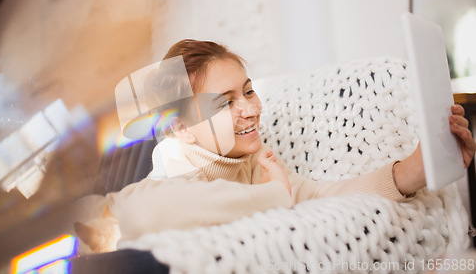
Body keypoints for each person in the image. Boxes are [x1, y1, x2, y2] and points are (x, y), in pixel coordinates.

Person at [110, 39, 475, 242]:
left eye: (249, 92)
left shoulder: (252, 161)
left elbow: (318, 196)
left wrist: (412, 170)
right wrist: (274, 197)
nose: (250, 109)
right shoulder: (173, 166)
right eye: (226, 103)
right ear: (181, 128)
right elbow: (141, 214)